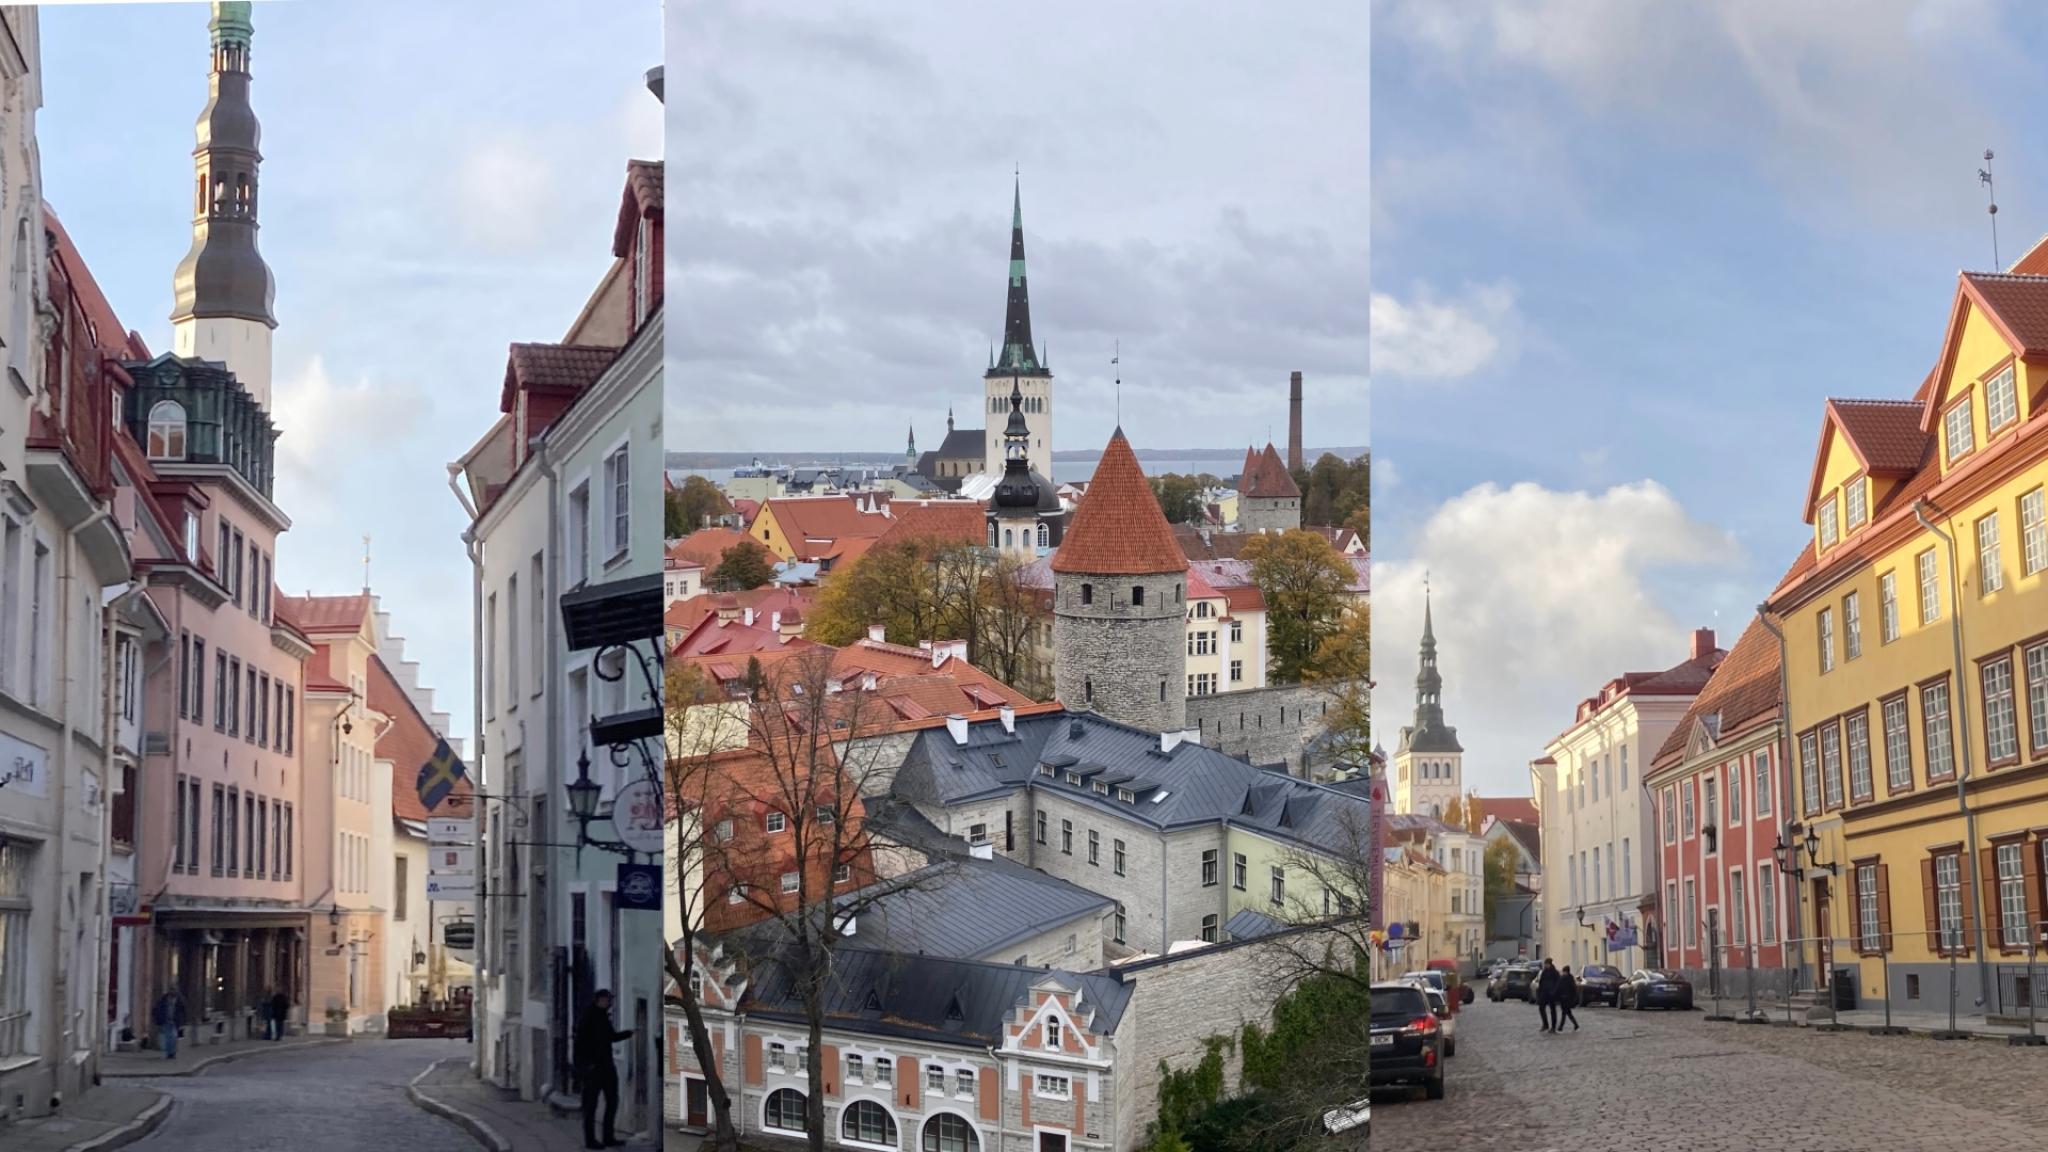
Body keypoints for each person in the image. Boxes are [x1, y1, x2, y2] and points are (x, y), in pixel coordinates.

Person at [575, 989, 635, 1149]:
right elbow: (579, 1044)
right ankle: (590, 1140)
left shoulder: (603, 1017)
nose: (610, 1003)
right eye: (608, 1000)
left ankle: (608, 1137)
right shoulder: (588, 1017)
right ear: (600, 1000)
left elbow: (611, 1037)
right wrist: (585, 1067)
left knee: (612, 1101)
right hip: (593, 1069)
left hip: (607, 1066)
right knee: (591, 1106)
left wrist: (628, 1033)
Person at [152, 988, 187, 1060]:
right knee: (168, 1038)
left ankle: (172, 1052)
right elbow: (157, 1009)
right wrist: (158, 1019)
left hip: (174, 1021)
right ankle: (169, 1053)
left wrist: (182, 1021)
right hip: (166, 1021)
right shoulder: (164, 1000)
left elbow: (183, 1011)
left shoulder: (179, 1000)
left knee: (174, 1037)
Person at [1535, 959, 1560, 1033]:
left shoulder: (1555, 972)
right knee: (1541, 1008)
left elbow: (1558, 983)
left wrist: (1554, 992)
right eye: (1545, 964)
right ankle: (1545, 1024)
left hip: (1552, 994)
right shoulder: (1544, 972)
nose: (1546, 965)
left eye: (1547, 964)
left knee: (1553, 1010)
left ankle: (1553, 1027)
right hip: (1544, 993)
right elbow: (1541, 982)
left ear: (1550, 964)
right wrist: (1539, 992)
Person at [1556, 966, 1582, 1032]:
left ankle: (1560, 1027)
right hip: (1567, 998)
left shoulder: (1564, 979)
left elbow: (1560, 988)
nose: (1563, 973)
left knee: (1564, 1013)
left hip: (1565, 999)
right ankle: (1576, 1025)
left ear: (1566, 972)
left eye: (1564, 971)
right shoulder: (1570, 978)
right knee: (1568, 1013)